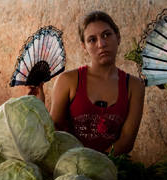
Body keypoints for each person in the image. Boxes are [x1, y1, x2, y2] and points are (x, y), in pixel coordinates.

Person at [39, 11, 145, 155]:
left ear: (118, 36)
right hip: (70, 167)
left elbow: (127, 139)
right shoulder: (68, 80)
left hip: (113, 169)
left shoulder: (134, 85)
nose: (101, 44)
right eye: (92, 40)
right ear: (84, 46)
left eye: (107, 35)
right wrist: (38, 106)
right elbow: (55, 128)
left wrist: (99, 164)